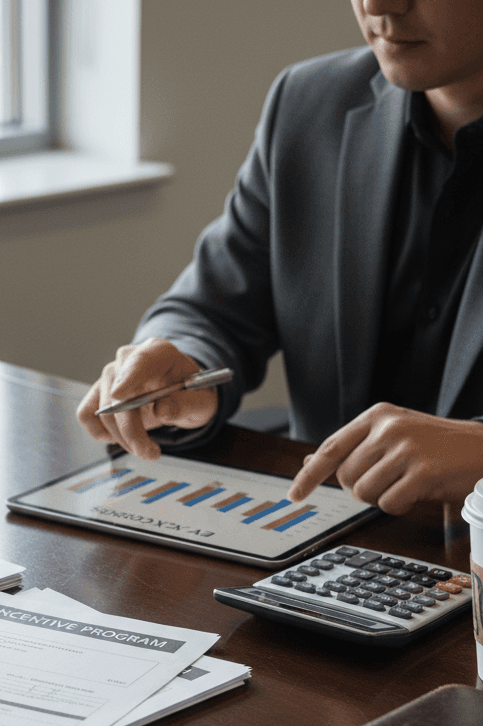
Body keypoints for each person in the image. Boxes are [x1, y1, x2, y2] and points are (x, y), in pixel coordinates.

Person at [76, 0, 483, 517]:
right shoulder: (311, 102)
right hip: (326, 539)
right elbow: (212, 308)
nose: (379, 5)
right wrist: (181, 369)